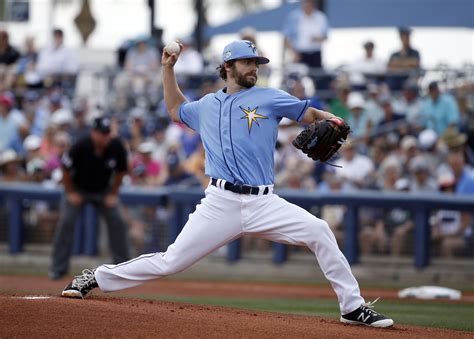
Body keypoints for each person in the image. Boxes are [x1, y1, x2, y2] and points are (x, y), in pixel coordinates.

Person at [61, 39, 393, 328]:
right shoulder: (206, 105)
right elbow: (176, 108)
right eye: (249, 62)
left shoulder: (269, 97)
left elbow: (308, 114)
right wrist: (168, 69)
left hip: (264, 202)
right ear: (229, 66)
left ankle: (352, 307)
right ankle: (97, 276)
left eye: (257, 63)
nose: (255, 67)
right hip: (220, 203)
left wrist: (332, 119)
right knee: (171, 261)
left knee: (320, 230)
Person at [49, 116, 131, 280]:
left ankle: (123, 269)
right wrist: (71, 192)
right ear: (94, 133)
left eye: (107, 133)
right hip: (78, 188)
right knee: (66, 221)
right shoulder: (81, 145)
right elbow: (65, 169)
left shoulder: (116, 146)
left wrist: (113, 194)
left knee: (118, 221)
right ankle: (58, 268)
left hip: (103, 191)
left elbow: (122, 171)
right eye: (102, 133)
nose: (105, 136)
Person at [282, 0, 329, 70]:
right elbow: (286, 37)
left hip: (316, 54)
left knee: (317, 76)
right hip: (299, 54)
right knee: (298, 76)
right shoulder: (294, 17)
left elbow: (326, 36)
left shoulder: (320, 17)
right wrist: (294, 53)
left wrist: (318, 38)